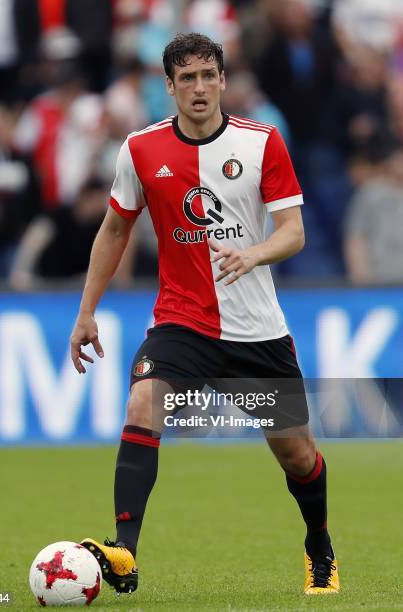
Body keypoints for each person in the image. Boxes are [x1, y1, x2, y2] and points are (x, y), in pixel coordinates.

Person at [70, 33, 339, 596]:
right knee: (143, 399)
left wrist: (254, 253)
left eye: (208, 75)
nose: (199, 87)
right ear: (167, 86)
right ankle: (124, 551)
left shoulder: (263, 141)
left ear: (222, 79)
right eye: (186, 78)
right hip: (181, 322)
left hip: (258, 331)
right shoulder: (140, 149)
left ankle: (319, 542)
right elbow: (115, 228)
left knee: (298, 456)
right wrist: (86, 310)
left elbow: (293, 232)